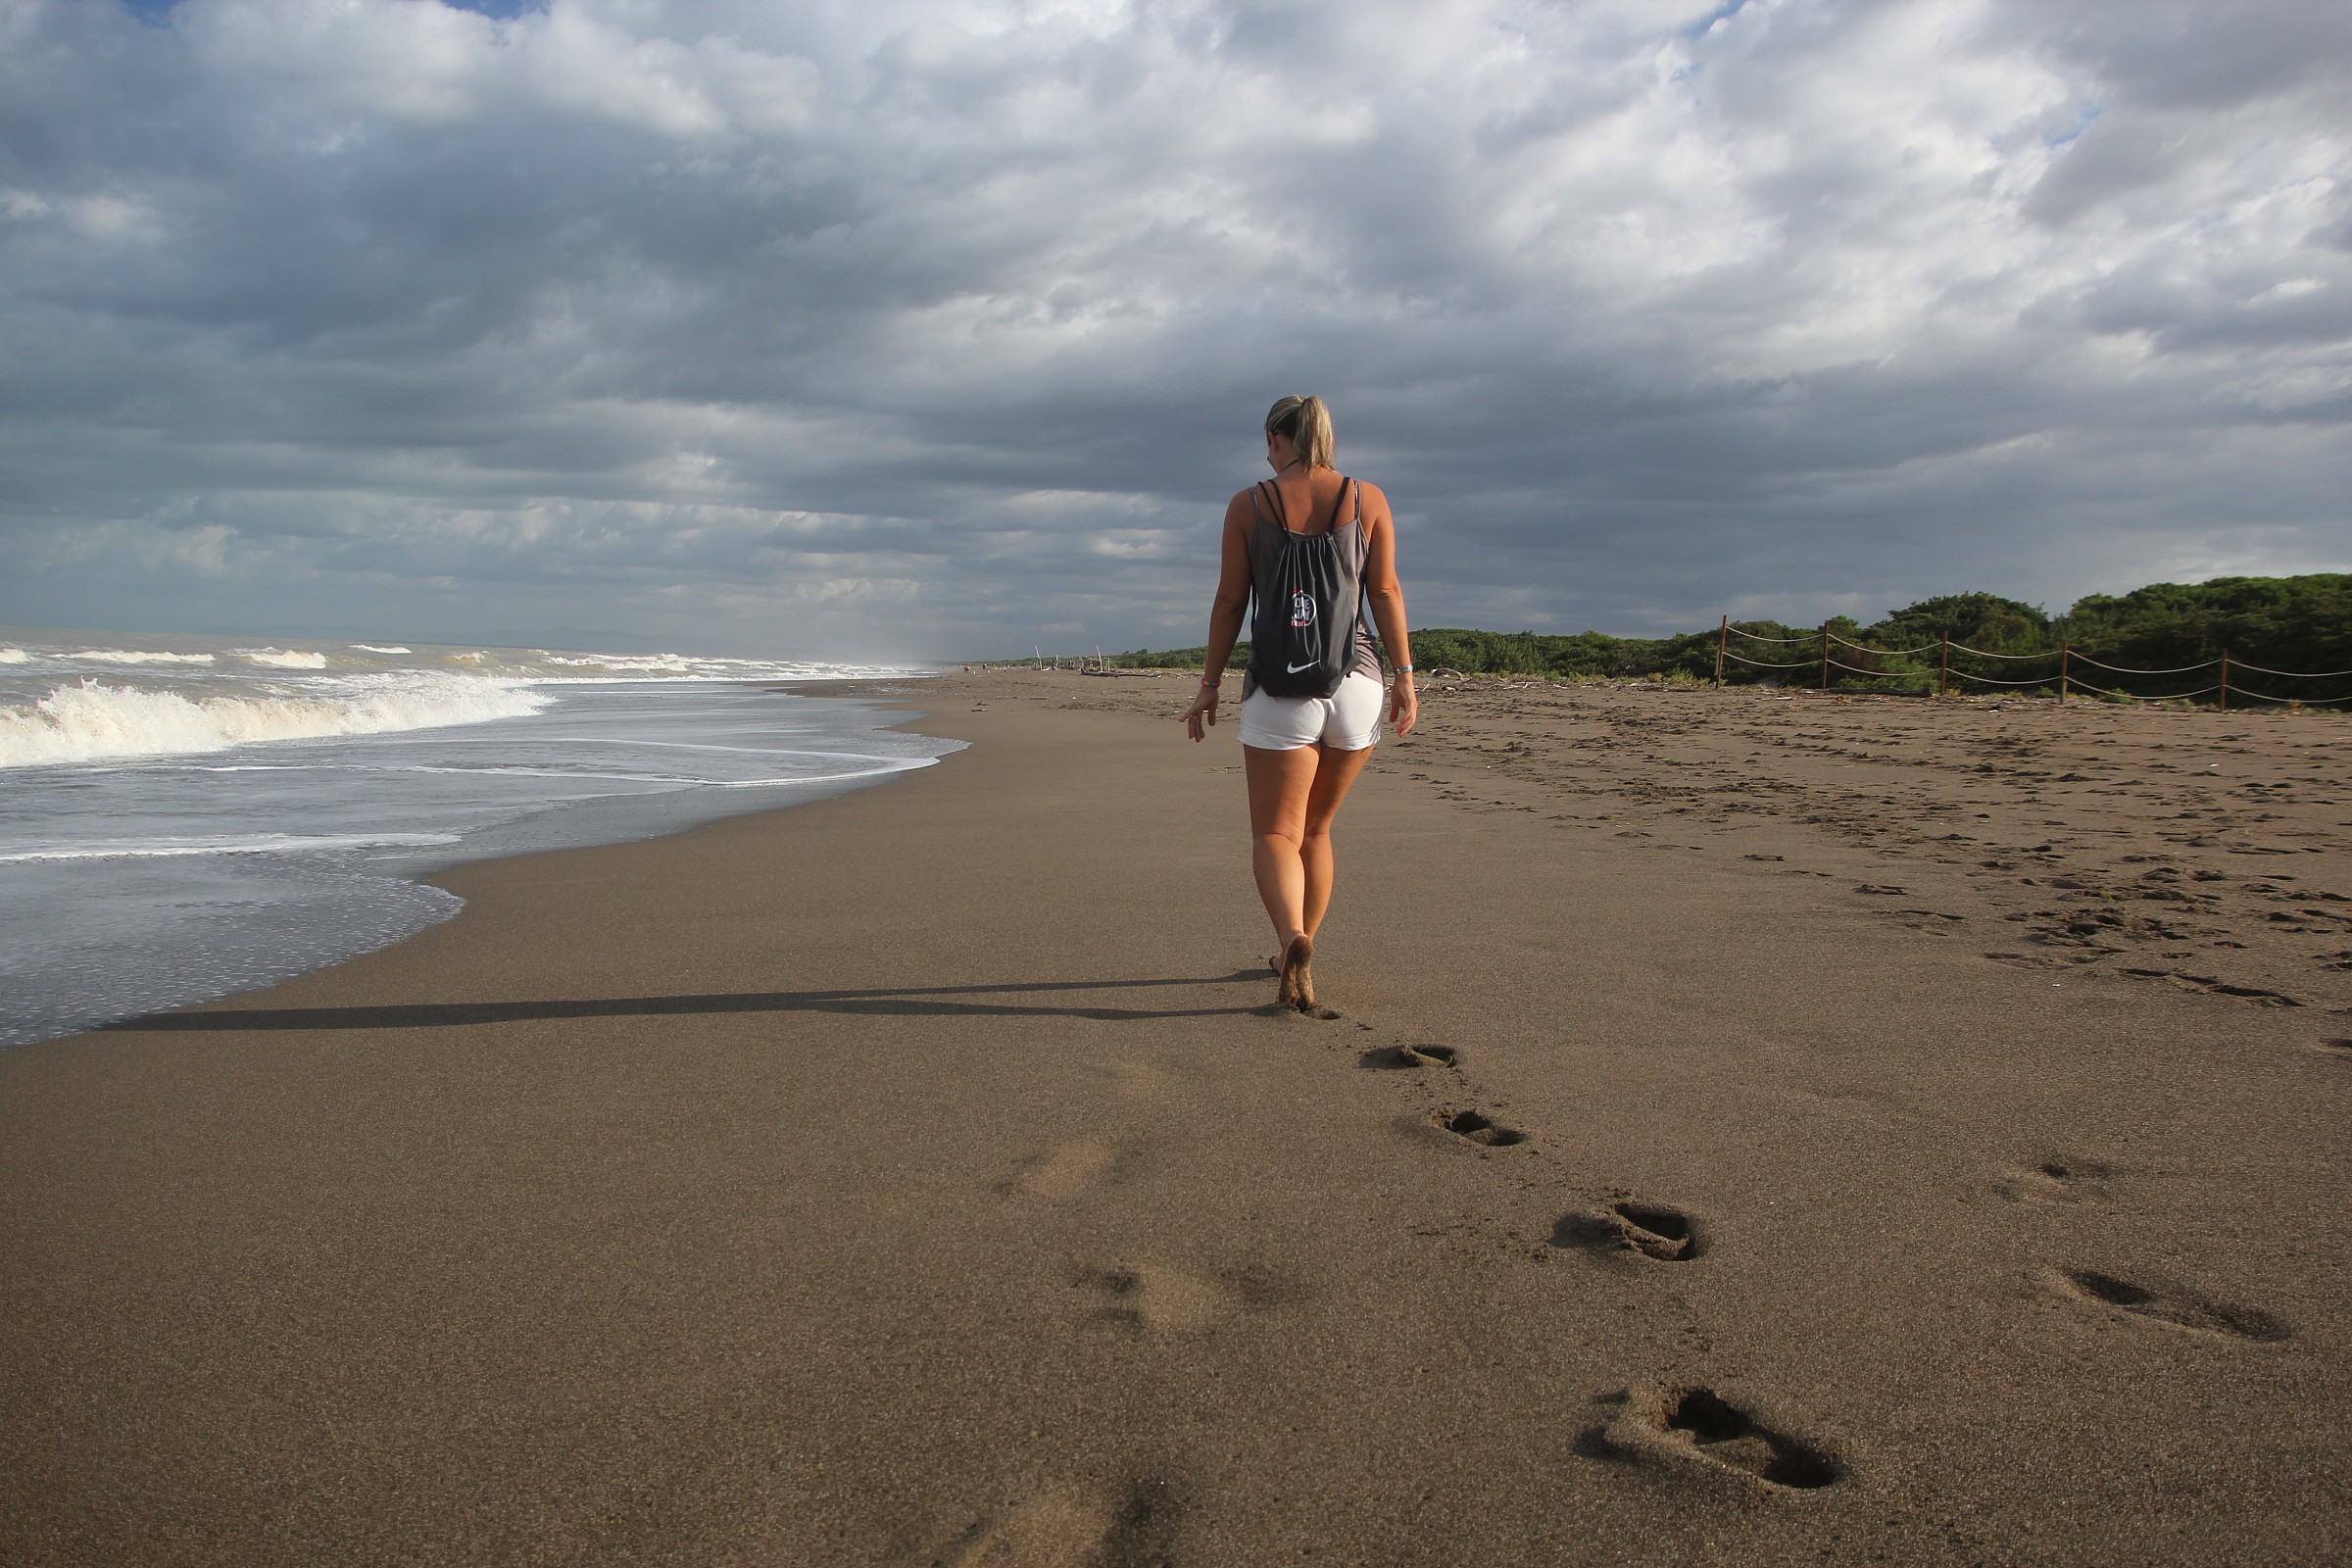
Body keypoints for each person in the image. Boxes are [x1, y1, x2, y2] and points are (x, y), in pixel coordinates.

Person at [1180, 395, 1417, 1010]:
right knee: (1317, 827)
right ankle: (1305, 939)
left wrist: (1209, 683)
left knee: (1276, 833)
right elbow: (1385, 590)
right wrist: (1406, 676)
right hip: (1357, 682)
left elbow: (1231, 601)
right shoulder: (1369, 499)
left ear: (1275, 437)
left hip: (1279, 689)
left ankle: (1290, 938)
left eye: (1267, 442)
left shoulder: (1247, 504)